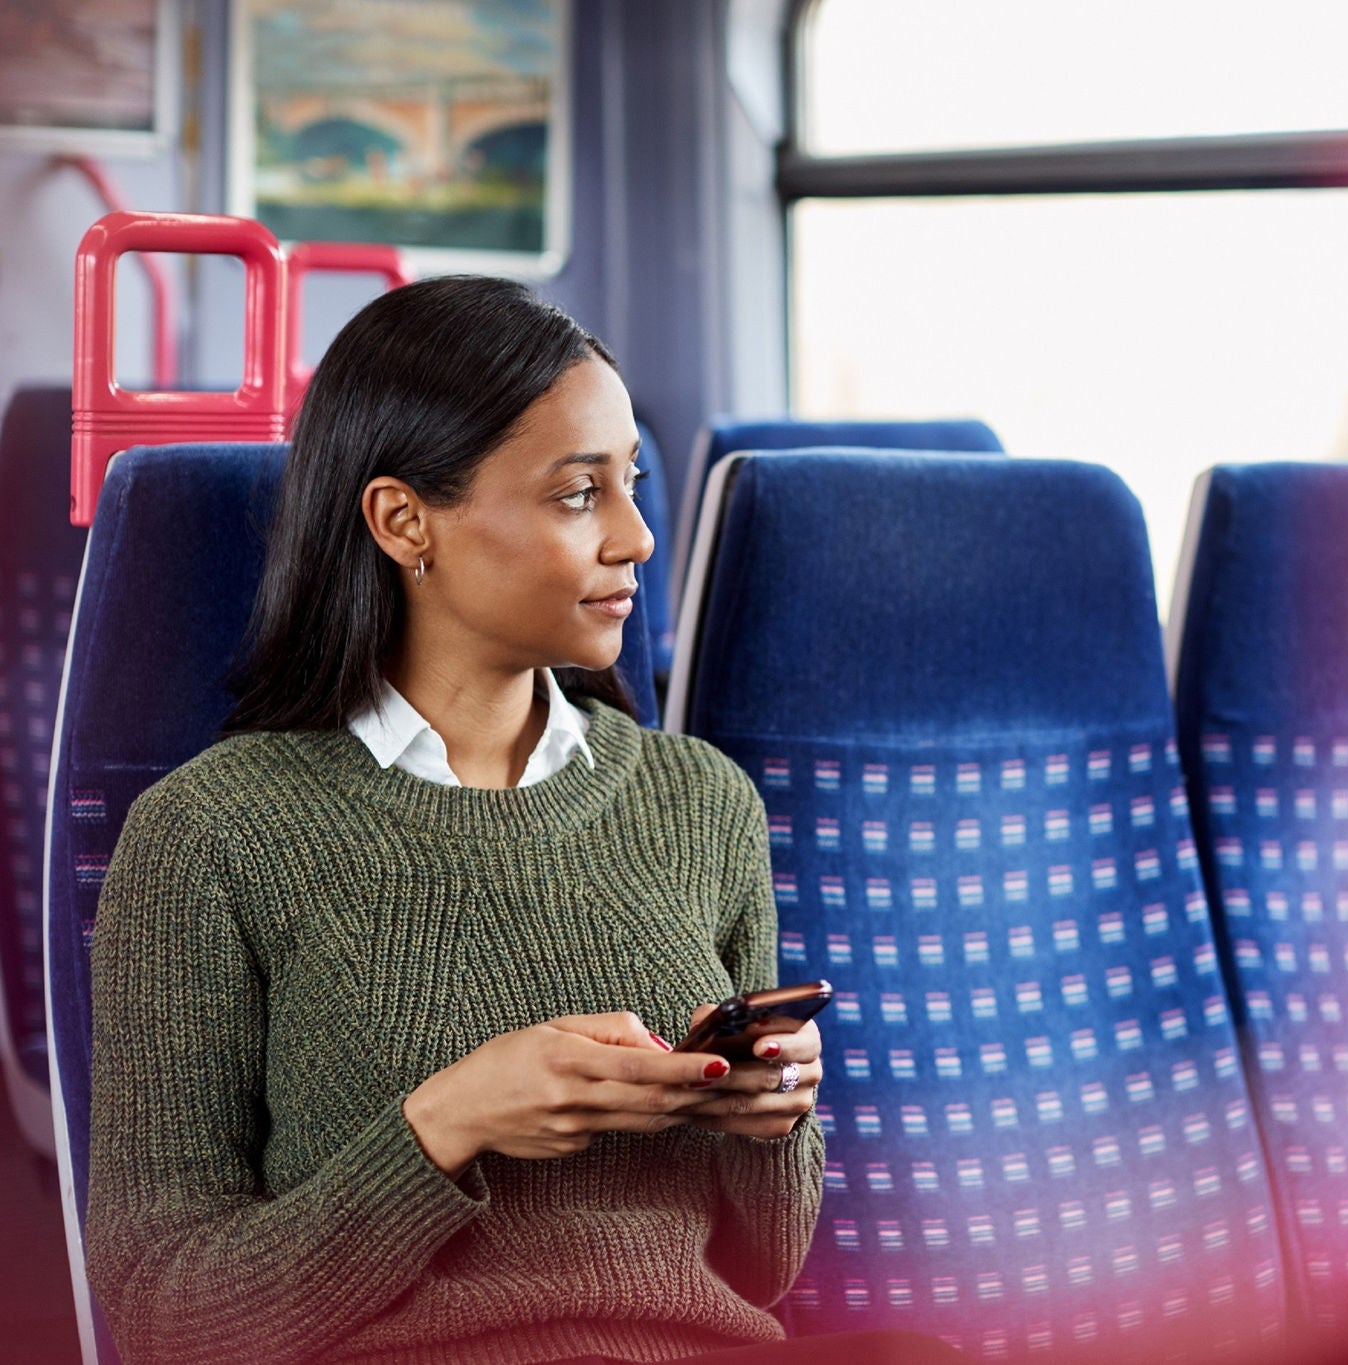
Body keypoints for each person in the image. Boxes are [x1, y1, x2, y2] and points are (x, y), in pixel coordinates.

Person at [82, 277, 947, 1365]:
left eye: (630, 484)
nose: (636, 536)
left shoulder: (697, 801)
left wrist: (767, 1119)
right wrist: (449, 1127)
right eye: (578, 494)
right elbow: (168, 1317)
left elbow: (758, 1271)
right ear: (405, 522)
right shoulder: (212, 836)